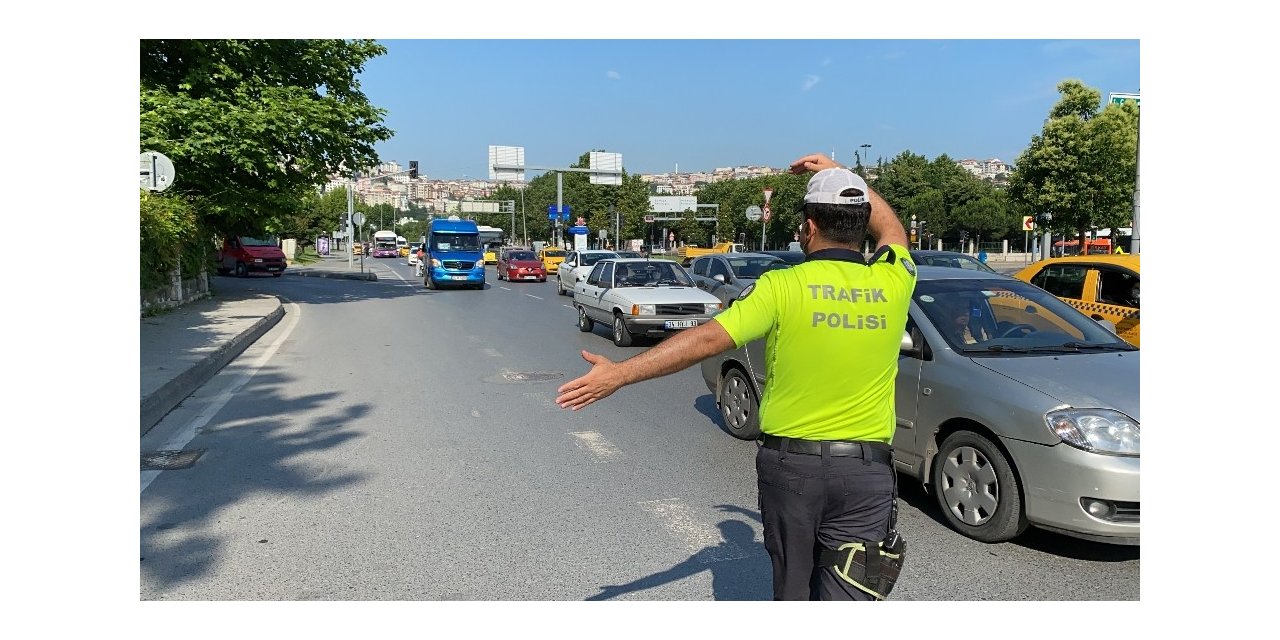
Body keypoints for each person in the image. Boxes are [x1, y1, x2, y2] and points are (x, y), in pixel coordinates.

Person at [556, 153, 916, 600]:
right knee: (853, 593)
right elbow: (893, 229)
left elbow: (707, 340)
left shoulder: (782, 286)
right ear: (861, 224)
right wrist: (839, 171)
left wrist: (620, 375)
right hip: (867, 474)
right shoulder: (895, 280)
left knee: (793, 591)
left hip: (794, 470)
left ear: (807, 227)